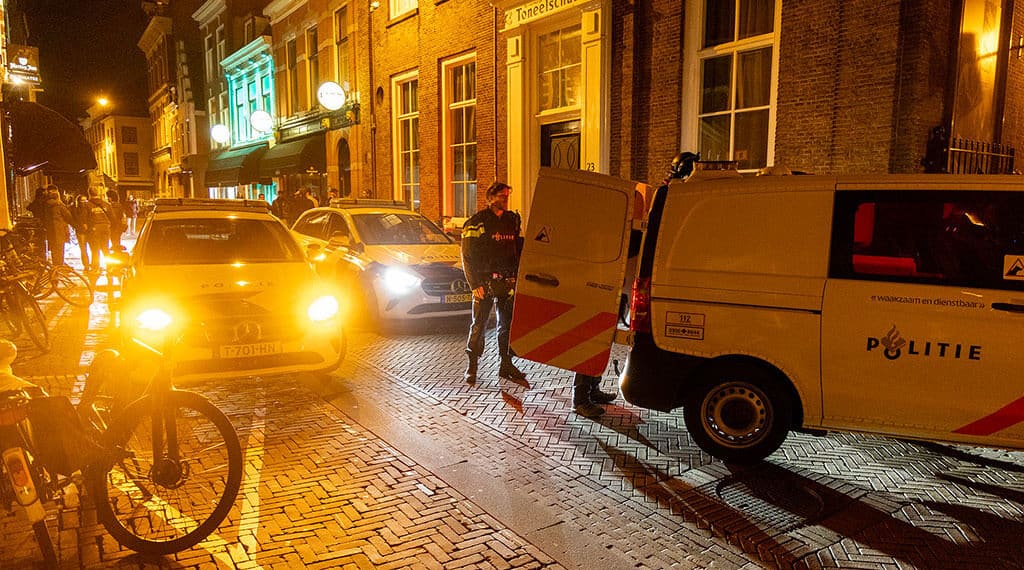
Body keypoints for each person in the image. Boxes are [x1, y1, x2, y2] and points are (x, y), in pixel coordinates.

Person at [571, 152, 697, 418]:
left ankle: (592, 388)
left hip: (619, 284)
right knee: (591, 338)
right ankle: (580, 396)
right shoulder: (608, 224)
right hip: (602, 285)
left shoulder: (646, 209)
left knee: (602, 338)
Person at [461, 181, 527, 384]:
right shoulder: (477, 222)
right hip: (485, 283)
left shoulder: (512, 220)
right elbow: (467, 255)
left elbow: (518, 249)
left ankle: (506, 365)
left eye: (507, 196)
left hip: (507, 281)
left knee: (506, 326)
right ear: (490, 198)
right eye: (501, 196)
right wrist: (475, 284)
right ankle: (472, 366)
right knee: (479, 325)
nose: (505, 200)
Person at [84, 187, 115, 272]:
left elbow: (85, 218)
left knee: (95, 249)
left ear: (89, 194)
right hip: (105, 227)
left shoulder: (87, 205)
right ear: (98, 193)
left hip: (94, 228)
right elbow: (112, 217)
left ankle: (95, 267)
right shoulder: (106, 204)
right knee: (105, 248)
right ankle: (109, 266)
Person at [43, 185, 74, 266]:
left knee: (54, 250)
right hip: (60, 230)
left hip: (51, 231)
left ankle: (55, 266)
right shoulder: (59, 206)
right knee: (60, 250)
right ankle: (59, 266)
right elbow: (68, 217)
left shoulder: (46, 205)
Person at [71, 194, 92, 271]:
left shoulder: (89, 207)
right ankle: (86, 264)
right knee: (83, 249)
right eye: (82, 200)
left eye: (85, 200)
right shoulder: (75, 209)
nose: (84, 202)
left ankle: (92, 264)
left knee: (93, 248)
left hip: (89, 231)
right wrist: (80, 225)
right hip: (81, 231)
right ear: (78, 201)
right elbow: (73, 219)